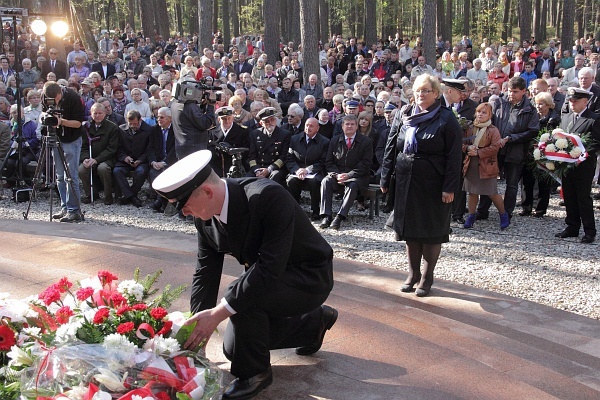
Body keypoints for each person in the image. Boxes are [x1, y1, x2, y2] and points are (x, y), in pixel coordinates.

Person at [151, 150, 337, 400]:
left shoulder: (268, 196)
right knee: (233, 349)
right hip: (269, 279)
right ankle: (313, 323)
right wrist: (197, 328)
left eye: (183, 205)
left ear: (207, 192)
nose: (183, 213)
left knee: (239, 299)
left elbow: (270, 268)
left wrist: (218, 313)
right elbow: (205, 272)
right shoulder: (205, 219)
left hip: (308, 277)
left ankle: (255, 374)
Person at [380, 74, 462, 297]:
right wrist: (385, 178)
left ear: (436, 93)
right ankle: (413, 273)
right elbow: (391, 146)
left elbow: (454, 157)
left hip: (434, 183)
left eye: (426, 90)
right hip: (406, 181)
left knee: (431, 231)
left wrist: (450, 188)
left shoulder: (446, 119)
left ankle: (427, 277)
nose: (421, 94)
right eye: (418, 90)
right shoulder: (404, 114)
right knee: (410, 231)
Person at [476, 77, 540, 220]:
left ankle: (506, 213)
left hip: (515, 151)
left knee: (511, 184)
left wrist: (511, 138)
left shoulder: (529, 109)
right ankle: (482, 211)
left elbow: (533, 130)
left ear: (524, 91)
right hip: (495, 149)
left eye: (515, 92)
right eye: (509, 91)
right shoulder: (498, 102)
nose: (511, 94)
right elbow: (487, 120)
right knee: (488, 180)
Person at [555, 88, 600, 243]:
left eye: (575, 101)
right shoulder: (567, 117)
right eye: (570, 101)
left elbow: (596, 143)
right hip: (567, 164)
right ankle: (572, 226)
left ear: (585, 102)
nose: (572, 104)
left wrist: (581, 155)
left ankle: (589, 230)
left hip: (584, 166)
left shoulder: (594, 119)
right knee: (569, 195)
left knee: (583, 198)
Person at [319, 114, 373, 230]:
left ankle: (339, 217)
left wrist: (349, 175)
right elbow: (329, 162)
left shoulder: (366, 141)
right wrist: (336, 175)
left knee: (352, 185)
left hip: (357, 177)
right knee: (325, 182)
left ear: (356, 126)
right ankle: (326, 215)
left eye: (352, 124)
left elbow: (366, 164)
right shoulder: (334, 141)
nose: (349, 126)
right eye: (347, 124)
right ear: (342, 126)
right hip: (337, 175)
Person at [43, 82, 85, 222]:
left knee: (70, 176)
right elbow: (44, 113)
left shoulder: (73, 97)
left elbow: (78, 123)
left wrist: (61, 121)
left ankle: (74, 210)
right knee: (59, 176)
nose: (54, 102)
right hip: (56, 138)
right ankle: (65, 207)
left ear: (60, 92)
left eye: (56, 99)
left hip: (71, 139)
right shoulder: (46, 96)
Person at [462, 103, 508, 229]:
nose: (480, 114)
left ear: (489, 115)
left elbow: (495, 147)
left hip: (487, 165)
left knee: (492, 192)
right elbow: (462, 142)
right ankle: (471, 216)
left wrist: (479, 152)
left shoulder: (493, 129)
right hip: (471, 164)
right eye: (479, 112)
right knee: (472, 192)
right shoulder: (470, 127)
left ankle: (503, 214)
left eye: (484, 112)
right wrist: (467, 148)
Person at [286, 117, 330, 220]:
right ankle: (294, 209)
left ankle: (315, 210)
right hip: (298, 171)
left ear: (317, 128)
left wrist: (307, 170)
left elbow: (323, 161)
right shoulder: (295, 139)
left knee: (314, 182)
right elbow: (289, 158)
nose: (308, 128)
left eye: (311, 126)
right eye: (307, 125)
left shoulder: (325, 142)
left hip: (315, 171)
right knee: (291, 181)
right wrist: (297, 170)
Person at [78, 103, 119, 205]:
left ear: (105, 113)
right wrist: (85, 158)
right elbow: (82, 146)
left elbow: (112, 149)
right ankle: (91, 194)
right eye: (95, 113)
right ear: (90, 114)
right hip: (90, 157)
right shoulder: (86, 127)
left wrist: (97, 160)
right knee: (82, 169)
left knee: (103, 168)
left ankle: (108, 195)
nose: (97, 116)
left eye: (100, 113)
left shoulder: (112, 128)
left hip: (107, 158)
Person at [113, 110, 153, 207]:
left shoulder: (149, 130)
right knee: (117, 171)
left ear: (140, 120)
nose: (132, 126)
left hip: (142, 160)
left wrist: (140, 160)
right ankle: (132, 197)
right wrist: (125, 157)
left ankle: (129, 195)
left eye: (135, 123)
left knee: (141, 172)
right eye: (130, 123)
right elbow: (119, 148)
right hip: (126, 161)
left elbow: (150, 149)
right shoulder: (121, 129)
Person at [171, 79, 217, 159]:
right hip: (194, 151)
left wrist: (202, 106)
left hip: (182, 149)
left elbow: (193, 120)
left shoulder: (175, 103)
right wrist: (211, 105)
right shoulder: (190, 106)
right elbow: (206, 123)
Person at [247, 107, 291, 185]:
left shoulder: (284, 134)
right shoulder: (255, 133)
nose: (270, 123)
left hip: (276, 167)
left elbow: (283, 157)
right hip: (259, 166)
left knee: (275, 176)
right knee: (247, 179)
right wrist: (257, 170)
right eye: (267, 121)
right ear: (261, 123)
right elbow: (252, 156)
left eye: (272, 120)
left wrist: (269, 169)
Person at [147, 107, 177, 212]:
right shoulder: (154, 130)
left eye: (162, 117)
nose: (158, 119)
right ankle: (160, 200)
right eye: (158, 117)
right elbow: (150, 148)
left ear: (169, 118)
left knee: (167, 172)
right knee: (153, 173)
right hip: (157, 161)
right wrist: (153, 161)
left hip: (171, 161)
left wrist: (165, 162)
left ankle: (160, 202)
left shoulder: (176, 130)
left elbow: (175, 149)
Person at [207, 106, 250, 178]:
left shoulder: (242, 131)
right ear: (219, 119)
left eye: (229, 118)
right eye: (224, 119)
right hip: (218, 168)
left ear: (233, 118)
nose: (227, 121)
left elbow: (247, 150)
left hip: (236, 168)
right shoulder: (212, 132)